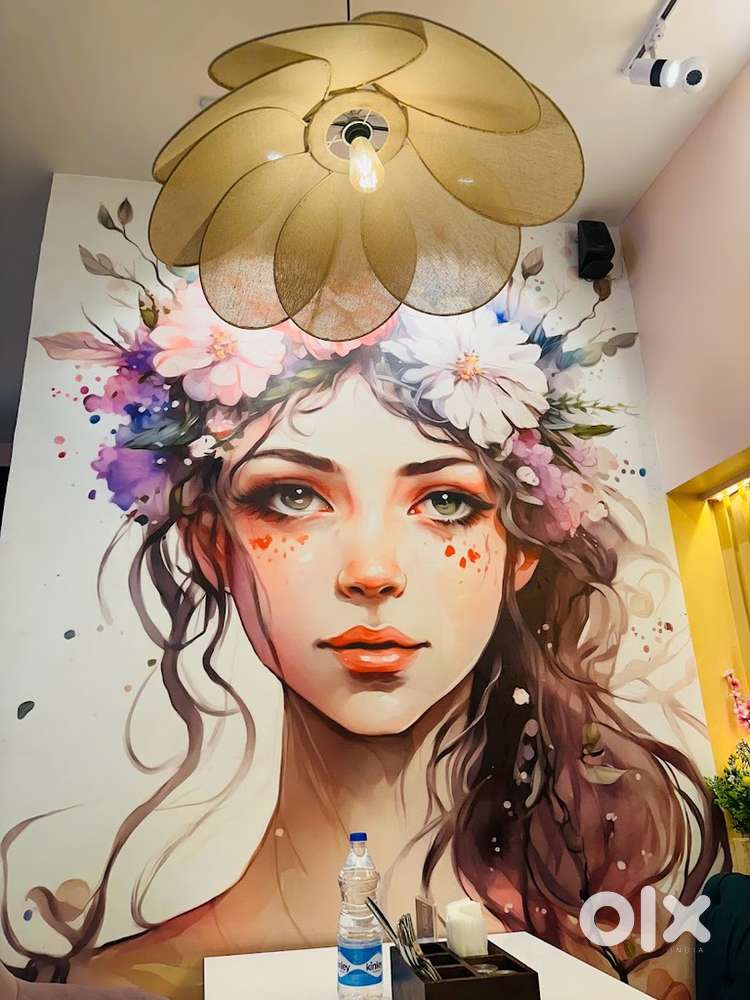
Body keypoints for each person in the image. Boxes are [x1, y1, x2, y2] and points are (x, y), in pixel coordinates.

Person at [4, 209, 725, 999]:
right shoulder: (117, 987)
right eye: (292, 496)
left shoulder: (599, 967)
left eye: (445, 501)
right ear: (212, 543)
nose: (372, 573)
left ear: (521, 550)